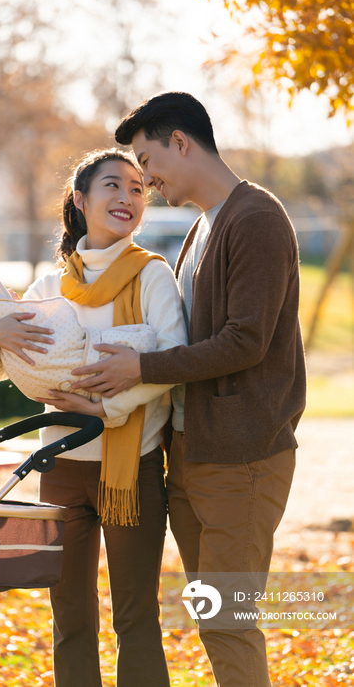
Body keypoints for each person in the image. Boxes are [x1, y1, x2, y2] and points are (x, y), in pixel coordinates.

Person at [70, 93, 307, 687]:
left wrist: (140, 368)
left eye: (148, 160)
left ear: (181, 142)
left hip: (244, 460)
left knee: (229, 623)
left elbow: (244, 341)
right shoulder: (205, 226)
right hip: (195, 458)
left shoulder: (255, 219)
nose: (144, 179)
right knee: (214, 620)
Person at [0, 147, 188, 687]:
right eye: (113, 185)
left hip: (131, 469)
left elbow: (170, 363)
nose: (128, 197)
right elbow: (2, 365)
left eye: (139, 189)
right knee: (70, 618)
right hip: (60, 468)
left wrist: (104, 409)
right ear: (81, 199)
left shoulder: (152, 278)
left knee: (136, 618)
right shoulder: (50, 288)